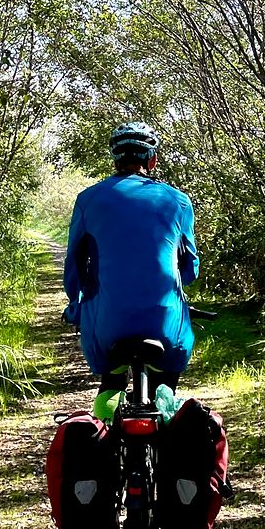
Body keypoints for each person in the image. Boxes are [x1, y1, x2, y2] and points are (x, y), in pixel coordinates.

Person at [62, 121, 199, 417]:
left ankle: (103, 430)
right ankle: (167, 426)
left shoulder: (89, 199)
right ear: (152, 159)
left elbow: (74, 262)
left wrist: (75, 305)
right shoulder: (178, 201)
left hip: (107, 325)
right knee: (166, 386)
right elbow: (190, 270)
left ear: (115, 159)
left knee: (111, 381)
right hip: (166, 324)